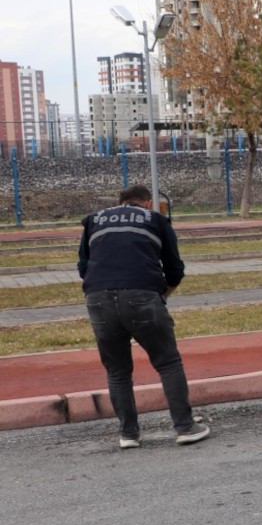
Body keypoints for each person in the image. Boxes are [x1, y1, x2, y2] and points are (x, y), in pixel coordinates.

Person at [77, 185, 210, 449]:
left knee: (117, 371)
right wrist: (162, 296)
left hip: (98, 299)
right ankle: (184, 427)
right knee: (168, 362)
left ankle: (128, 434)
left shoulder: (94, 220)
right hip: (143, 296)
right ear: (148, 203)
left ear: (120, 202)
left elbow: (83, 267)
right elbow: (175, 269)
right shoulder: (156, 219)